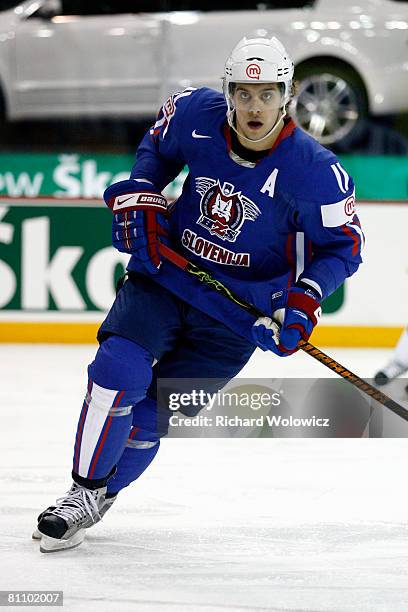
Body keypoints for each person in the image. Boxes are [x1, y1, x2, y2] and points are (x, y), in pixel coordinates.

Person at [33, 31, 364, 553]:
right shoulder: (192, 113)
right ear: (228, 92)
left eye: (268, 94)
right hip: (168, 277)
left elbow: (343, 248)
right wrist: (143, 190)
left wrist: (306, 296)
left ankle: (102, 494)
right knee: (117, 370)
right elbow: (156, 150)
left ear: (289, 94)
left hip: (237, 317)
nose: (255, 107)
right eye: (244, 94)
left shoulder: (317, 172)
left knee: (149, 417)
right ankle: (81, 493)